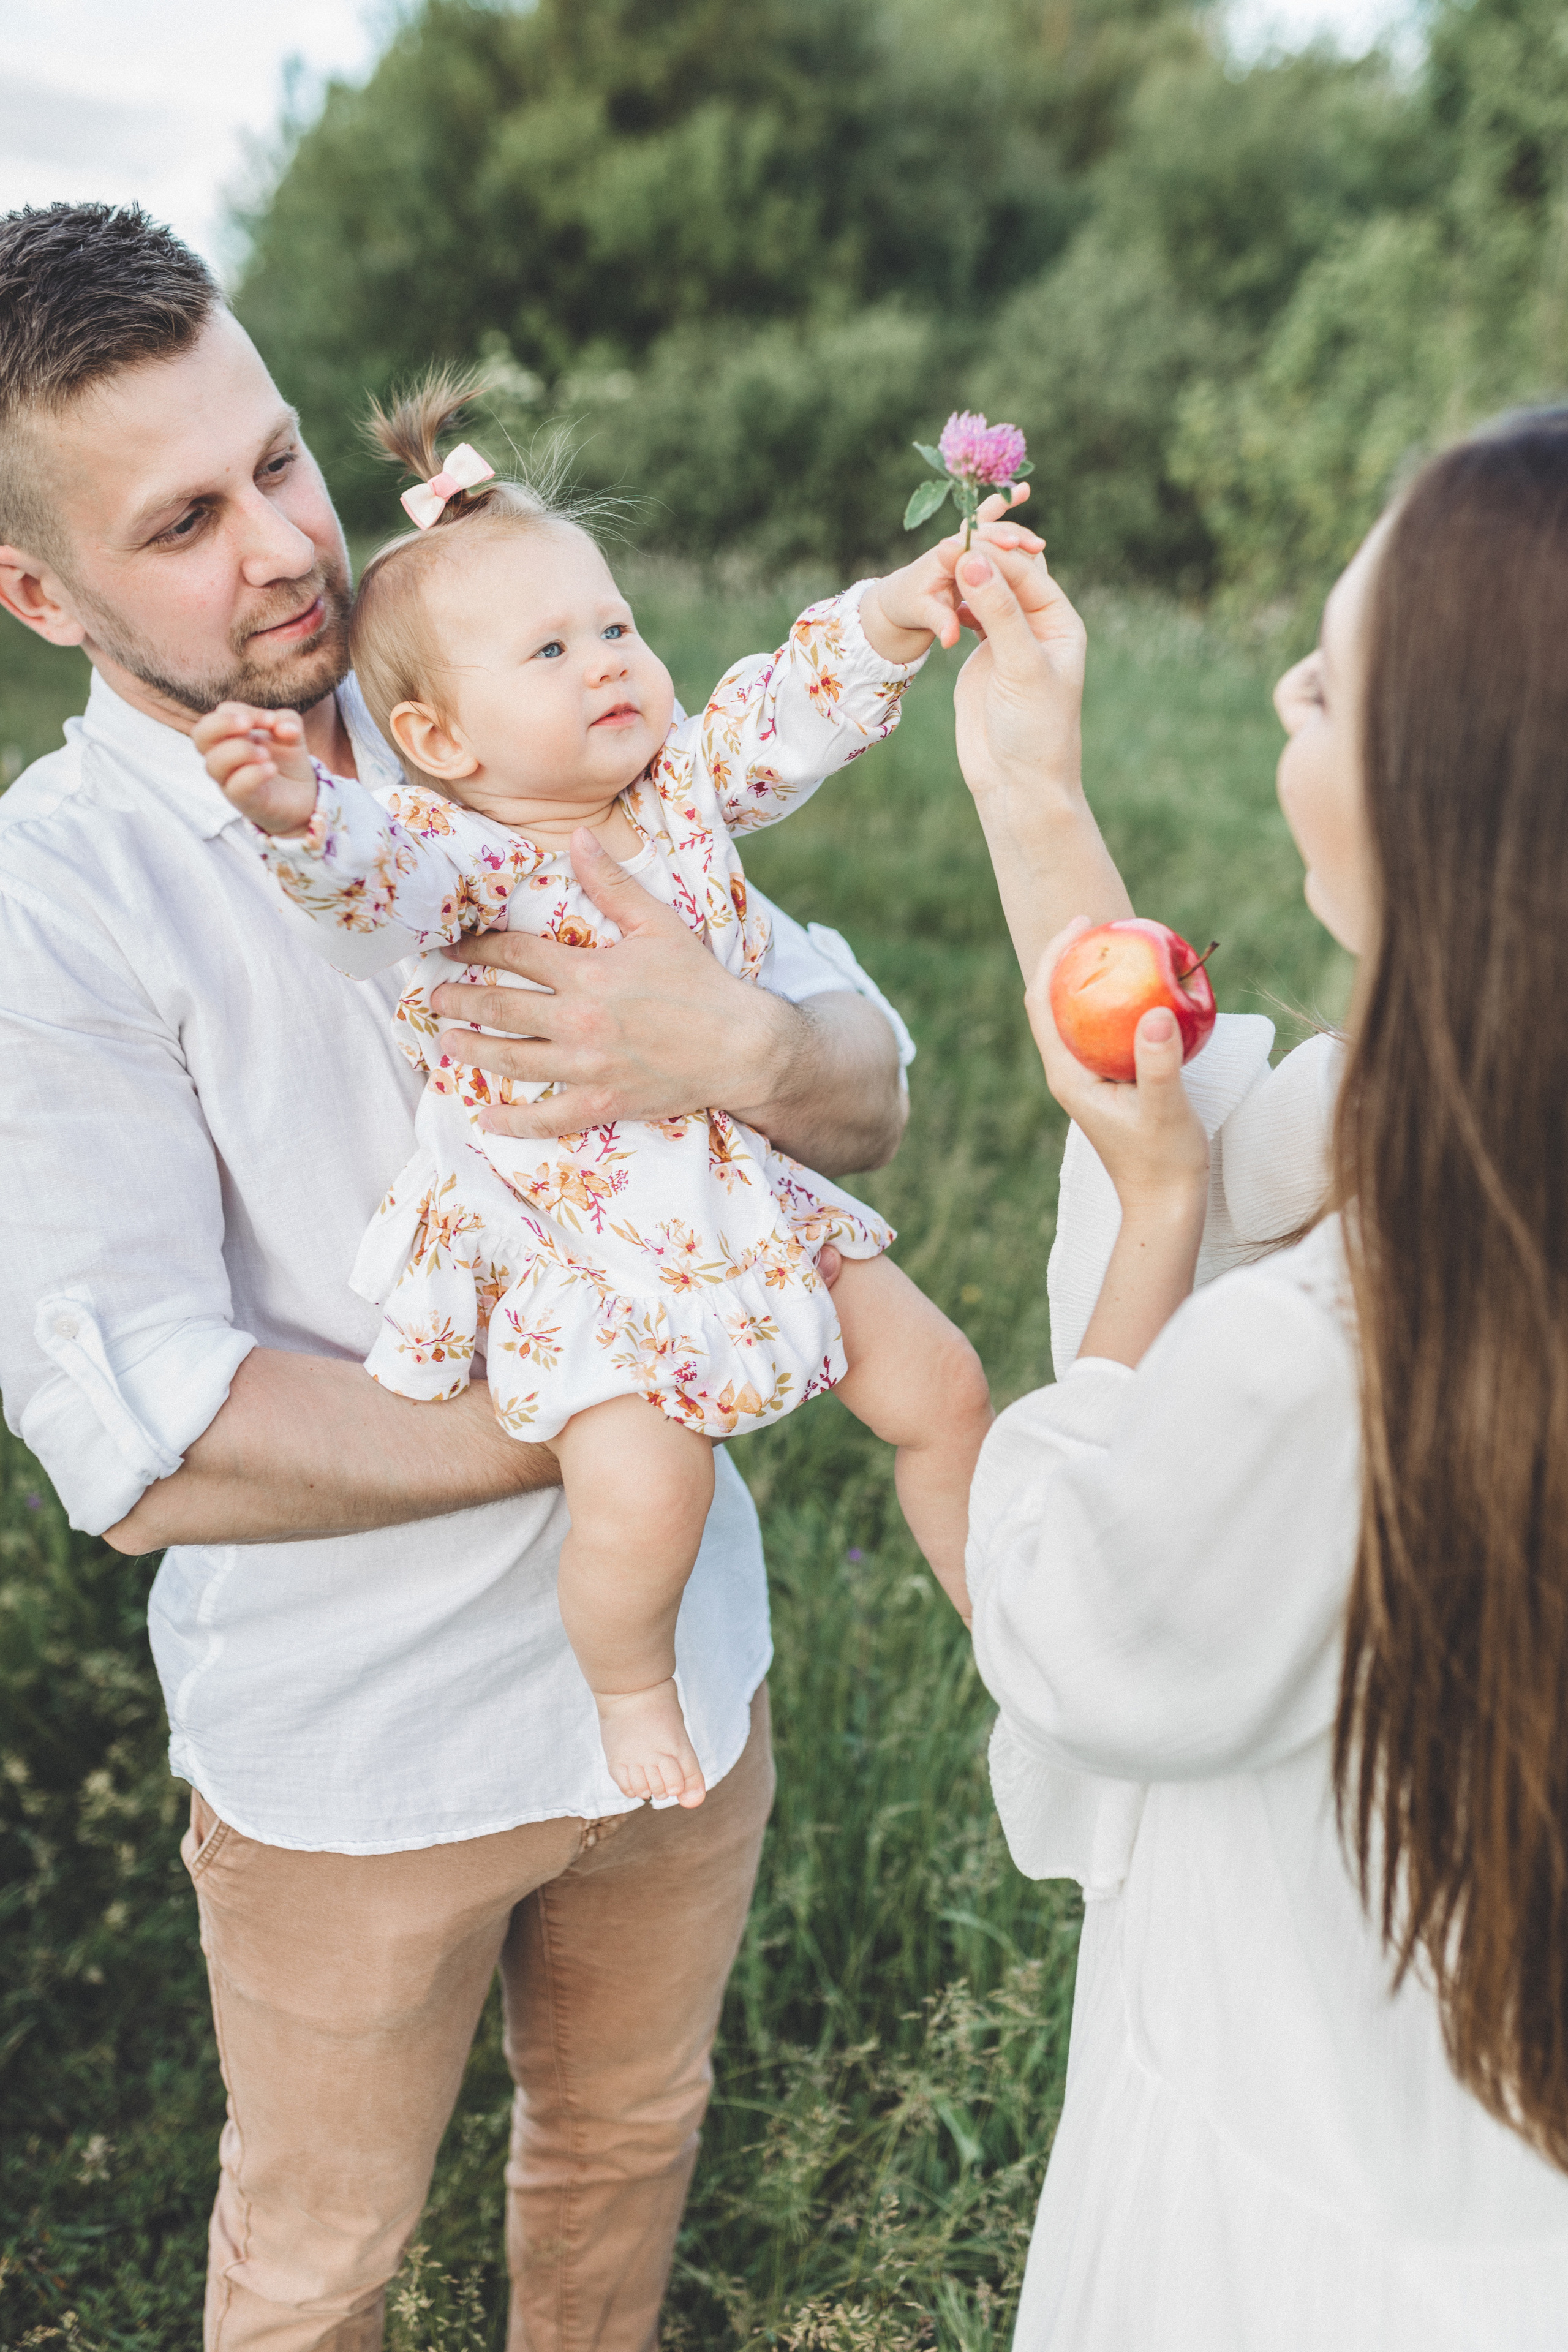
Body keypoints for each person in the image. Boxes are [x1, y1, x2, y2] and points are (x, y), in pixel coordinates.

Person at [0, 201, 1031, 2352]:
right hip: (354, 1754)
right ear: (34, 589)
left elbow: (869, 1092)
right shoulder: (65, 896)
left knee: (629, 2137)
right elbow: (151, 1434)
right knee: (316, 2272)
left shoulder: (534, 696)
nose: (283, 546)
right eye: (183, 519)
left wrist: (733, 1045)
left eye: (278, 459)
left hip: (689, 1671)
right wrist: (626, 1394)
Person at [955, 415, 1568, 2346]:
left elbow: (1077, 1622)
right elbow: (1207, 1108)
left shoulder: (1338, 1363)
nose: (1284, 706)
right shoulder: (1487, 1172)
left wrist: (1143, 1260)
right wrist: (1036, 795)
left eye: (1319, 680)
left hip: (1299, 2219)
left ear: (1439, 799)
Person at [196, 369, 996, 1810]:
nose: (609, 661)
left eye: (614, 626)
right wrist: (296, 814)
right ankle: (630, 1690)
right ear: (440, 743)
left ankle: (1007, 1618)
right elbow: (365, 883)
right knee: (647, 1492)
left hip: (744, 1188)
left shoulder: (677, 791)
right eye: (551, 651)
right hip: (585, 1245)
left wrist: (889, 612)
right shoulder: (461, 856)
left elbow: (782, 714)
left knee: (940, 1382)